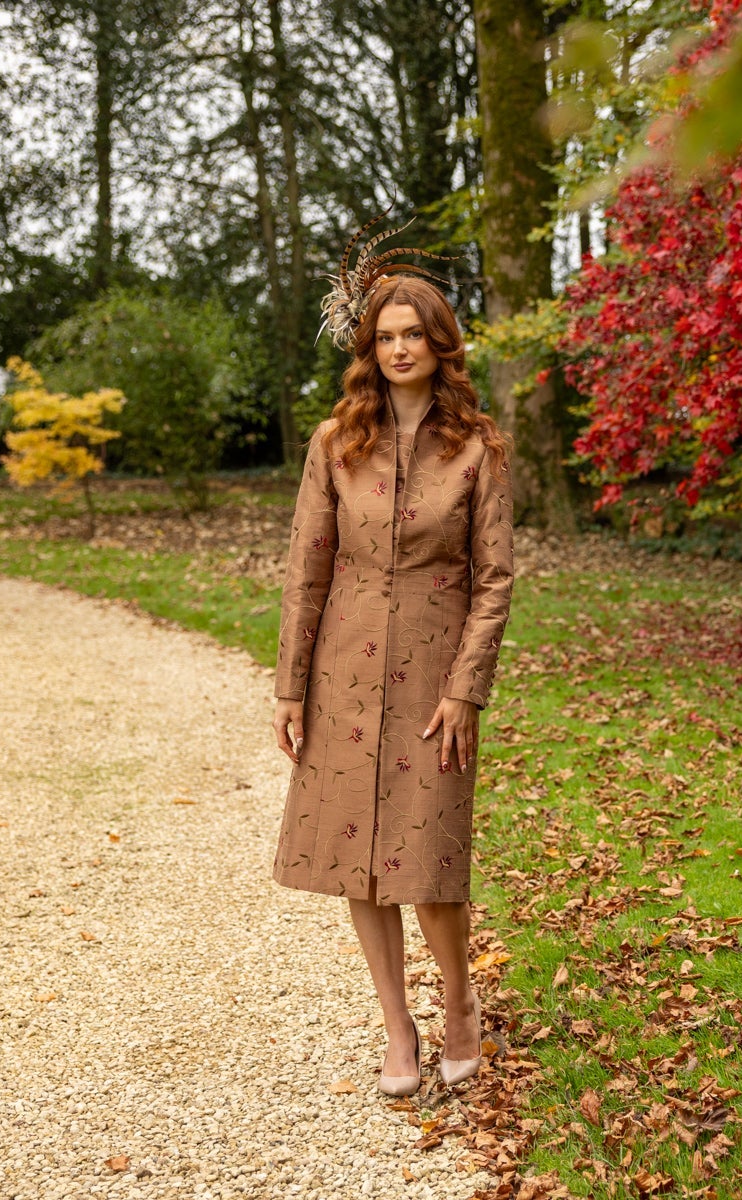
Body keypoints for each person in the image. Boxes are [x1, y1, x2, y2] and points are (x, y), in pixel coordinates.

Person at [269, 230, 513, 1097]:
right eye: (385, 336)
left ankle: (458, 1003)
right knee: (356, 858)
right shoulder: (336, 442)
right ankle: (396, 1026)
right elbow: (307, 570)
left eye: (413, 334)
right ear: (368, 349)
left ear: (439, 343)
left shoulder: (476, 448)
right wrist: (290, 687)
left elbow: (495, 580)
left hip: (433, 672)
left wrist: (466, 689)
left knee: (429, 860)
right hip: (344, 668)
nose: (399, 348)